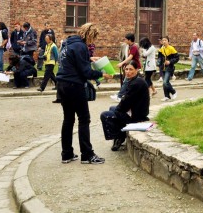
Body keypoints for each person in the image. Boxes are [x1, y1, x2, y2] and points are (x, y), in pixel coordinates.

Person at [56, 23, 113, 165]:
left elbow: (72, 62)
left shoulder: (67, 43)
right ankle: (87, 154)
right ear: (90, 35)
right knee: (84, 119)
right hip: (74, 85)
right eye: (93, 38)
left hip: (62, 84)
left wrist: (88, 59)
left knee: (68, 119)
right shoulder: (81, 46)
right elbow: (86, 72)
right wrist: (102, 74)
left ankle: (66, 154)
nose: (92, 42)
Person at [100, 60, 149, 152]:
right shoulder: (135, 80)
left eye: (131, 69)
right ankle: (120, 135)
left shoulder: (136, 83)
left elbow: (124, 104)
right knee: (112, 108)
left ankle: (119, 136)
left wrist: (118, 108)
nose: (128, 72)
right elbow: (126, 100)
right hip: (134, 111)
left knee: (105, 115)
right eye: (126, 69)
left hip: (137, 116)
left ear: (137, 70)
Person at [116, 33, 142, 99]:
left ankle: (120, 96)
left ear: (129, 40)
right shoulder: (130, 46)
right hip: (131, 66)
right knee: (130, 82)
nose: (124, 41)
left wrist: (122, 63)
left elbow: (130, 57)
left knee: (127, 81)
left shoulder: (134, 47)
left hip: (135, 67)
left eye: (125, 39)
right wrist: (126, 65)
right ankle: (124, 95)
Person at [158, 36, 179, 102]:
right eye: (163, 40)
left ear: (168, 41)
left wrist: (170, 62)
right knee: (165, 83)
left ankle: (174, 92)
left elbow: (177, 58)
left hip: (169, 68)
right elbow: (160, 58)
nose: (164, 41)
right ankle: (166, 96)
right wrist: (159, 63)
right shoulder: (161, 48)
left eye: (165, 40)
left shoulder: (171, 48)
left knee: (165, 82)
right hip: (163, 68)